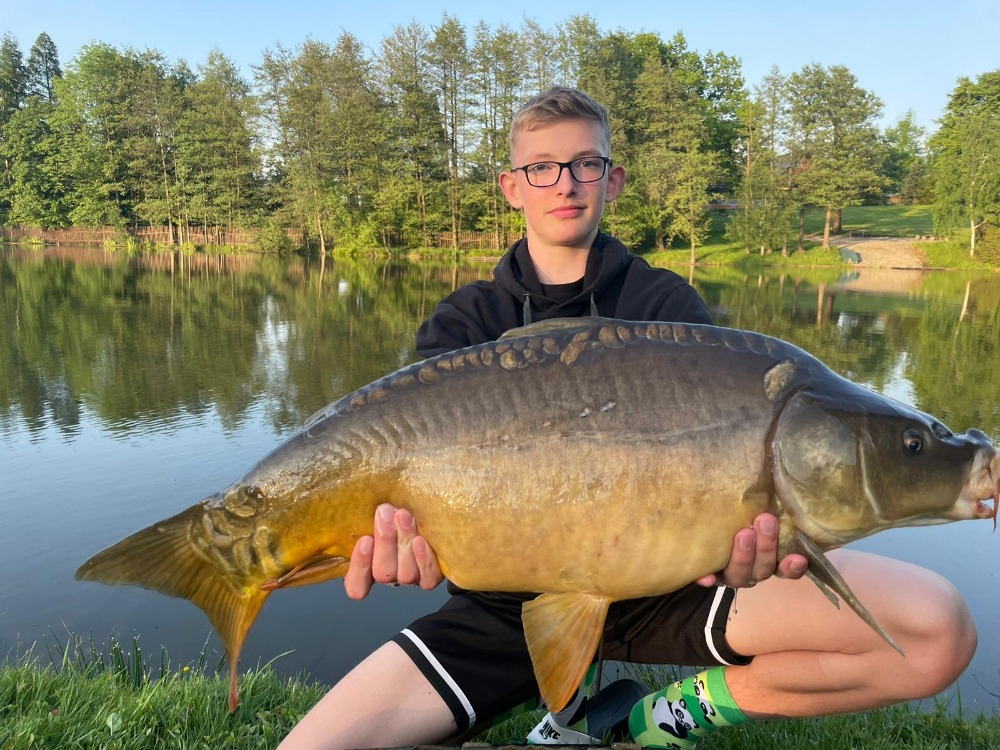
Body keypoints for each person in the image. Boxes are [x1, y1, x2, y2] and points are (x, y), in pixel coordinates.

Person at [277, 88, 976, 750]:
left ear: (611, 181)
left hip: (671, 588)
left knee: (937, 630)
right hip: (502, 604)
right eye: (542, 167)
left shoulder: (666, 307)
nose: (565, 184)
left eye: (586, 164)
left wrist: (755, 546)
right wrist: (399, 544)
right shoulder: (467, 321)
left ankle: (659, 717)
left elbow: (733, 494)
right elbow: (409, 483)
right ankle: (556, 700)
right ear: (512, 186)